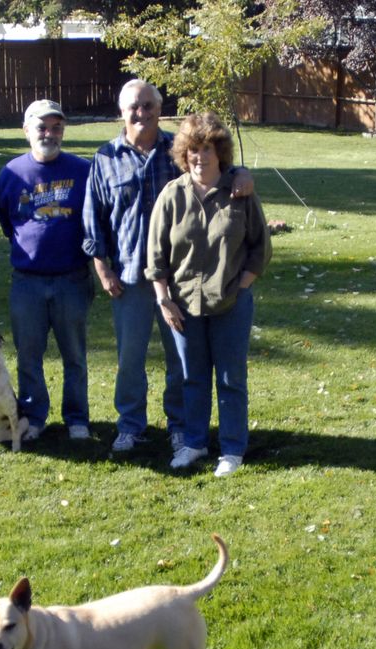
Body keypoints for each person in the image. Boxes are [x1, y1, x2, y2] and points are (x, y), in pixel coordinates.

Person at [83, 80, 254, 458]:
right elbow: (92, 219)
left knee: (182, 361)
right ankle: (130, 427)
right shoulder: (105, 157)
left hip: (178, 282)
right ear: (121, 112)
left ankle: (181, 429)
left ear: (159, 109)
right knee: (130, 358)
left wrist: (242, 172)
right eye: (133, 107)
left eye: (148, 105)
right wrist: (103, 269)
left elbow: (215, 164)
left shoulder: (176, 149)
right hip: (128, 277)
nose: (140, 113)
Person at [146, 113, 271, 478]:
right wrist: (163, 299)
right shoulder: (172, 195)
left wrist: (240, 286)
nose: (200, 157)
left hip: (231, 305)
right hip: (183, 306)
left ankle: (232, 449)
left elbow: (259, 249)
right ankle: (195, 443)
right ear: (185, 153)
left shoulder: (240, 192)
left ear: (221, 152)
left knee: (231, 379)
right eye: (193, 150)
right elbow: (155, 256)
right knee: (192, 377)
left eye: (208, 149)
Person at [0, 100, 94, 442]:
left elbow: (94, 218)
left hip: (72, 279)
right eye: (41, 127)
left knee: (75, 355)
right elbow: (8, 221)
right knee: (29, 357)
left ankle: (77, 418)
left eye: (56, 127)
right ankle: (34, 417)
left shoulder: (83, 170)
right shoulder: (11, 173)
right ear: (27, 131)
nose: (49, 134)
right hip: (28, 283)